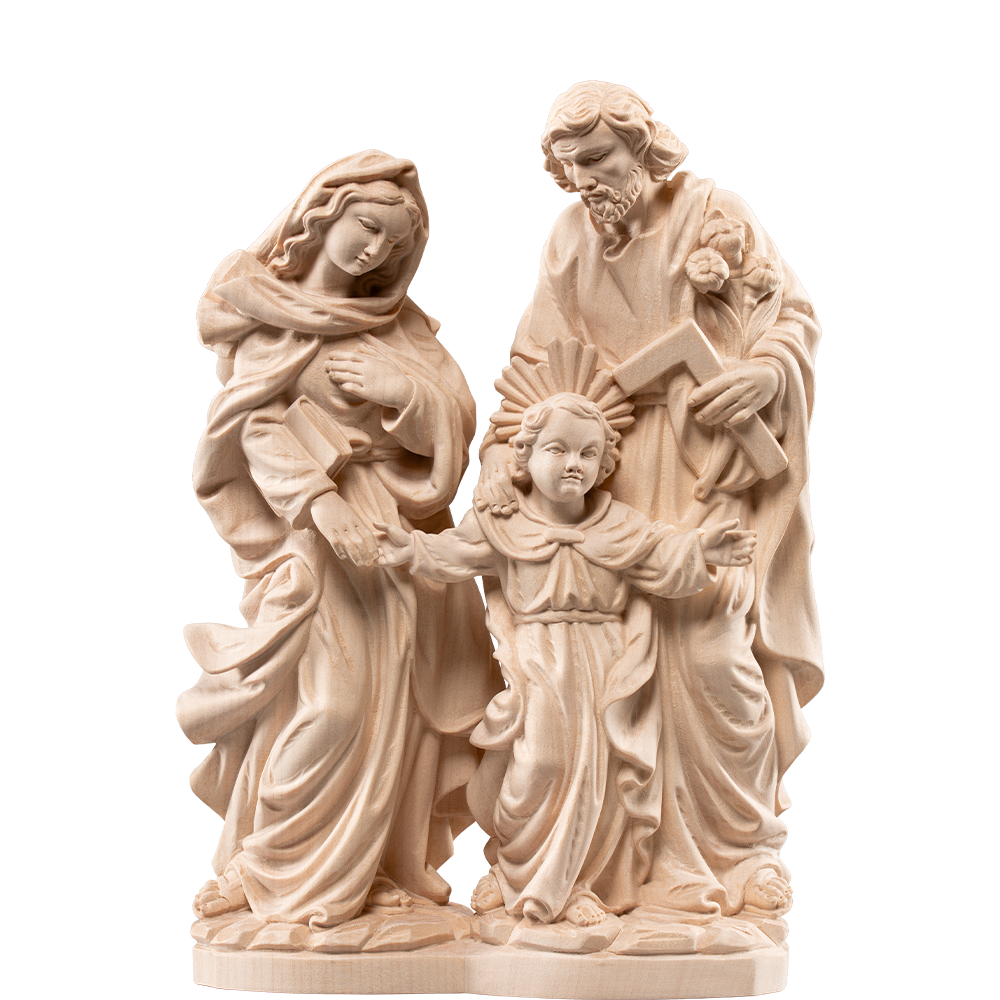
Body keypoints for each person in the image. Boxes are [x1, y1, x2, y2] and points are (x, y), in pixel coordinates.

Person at [476, 82, 824, 918]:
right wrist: (500, 459)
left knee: (711, 656)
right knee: (610, 670)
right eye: (569, 168)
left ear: (642, 146)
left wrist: (765, 373)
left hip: (709, 464)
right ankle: (621, 867)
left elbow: (794, 318)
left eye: (598, 159)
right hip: (608, 475)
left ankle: (737, 853)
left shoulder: (715, 215)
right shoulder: (569, 240)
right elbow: (536, 359)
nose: (586, 181)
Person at [177, 152, 501, 929]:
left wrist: (405, 392)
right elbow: (250, 427)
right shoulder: (266, 317)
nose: (374, 252)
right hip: (321, 536)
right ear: (320, 217)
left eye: (393, 244)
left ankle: (379, 869)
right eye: (365, 228)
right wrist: (321, 503)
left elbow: (457, 417)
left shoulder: (402, 327)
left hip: (407, 540)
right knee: (335, 706)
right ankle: (269, 868)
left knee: (407, 710)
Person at [378, 391, 756, 926]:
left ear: (603, 465)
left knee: (600, 775)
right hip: (538, 661)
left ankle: (579, 885)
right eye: (557, 450)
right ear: (525, 457)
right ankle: (517, 871)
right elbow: (453, 553)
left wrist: (702, 549)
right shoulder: (505, 524)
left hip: (606, 664)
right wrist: (408, 548)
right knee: (540, 764)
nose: (573, 464)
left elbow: (661, 559)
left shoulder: (618, 525)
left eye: (587, 453)